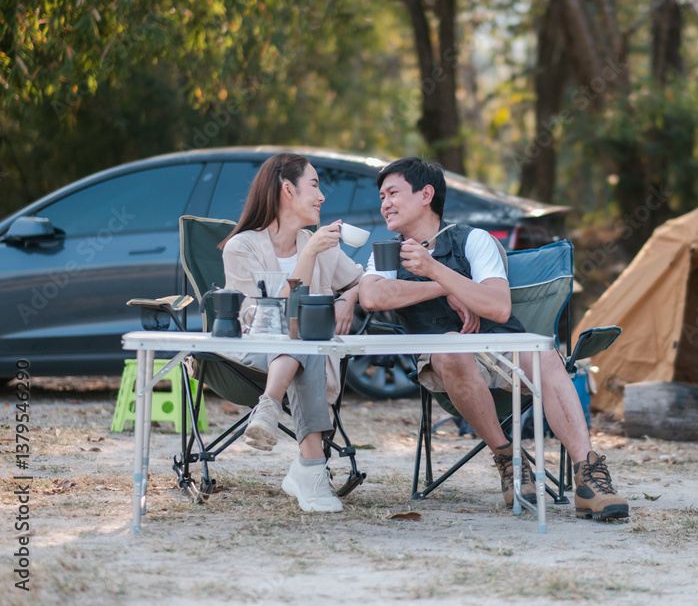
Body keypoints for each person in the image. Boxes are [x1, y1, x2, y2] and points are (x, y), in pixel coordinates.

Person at [358, 157, 629, 521]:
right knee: (451, 345)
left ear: (426, 194)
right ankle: (509, 459)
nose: (385, 204)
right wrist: (444, 287)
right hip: (444, 362)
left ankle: (589, 477)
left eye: (393, 193)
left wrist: (434, 269)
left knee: (545, 353)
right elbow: (372, 297)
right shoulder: (388, 252)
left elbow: (499, 308)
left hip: (498, 345)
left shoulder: (473, 240)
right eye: (382, 197)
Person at [221, 152, 364, 513]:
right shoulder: (242, 247)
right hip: (252, 355)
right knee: (301, 333)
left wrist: (347, 299)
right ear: (288, 189)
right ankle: (312, 472)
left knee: (305, 340)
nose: (322, 196)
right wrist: (309, 253)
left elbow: (362, 281)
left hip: (303, 354)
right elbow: (268, 315)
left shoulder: (319, 245)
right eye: (314, 185)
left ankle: (269, 409)